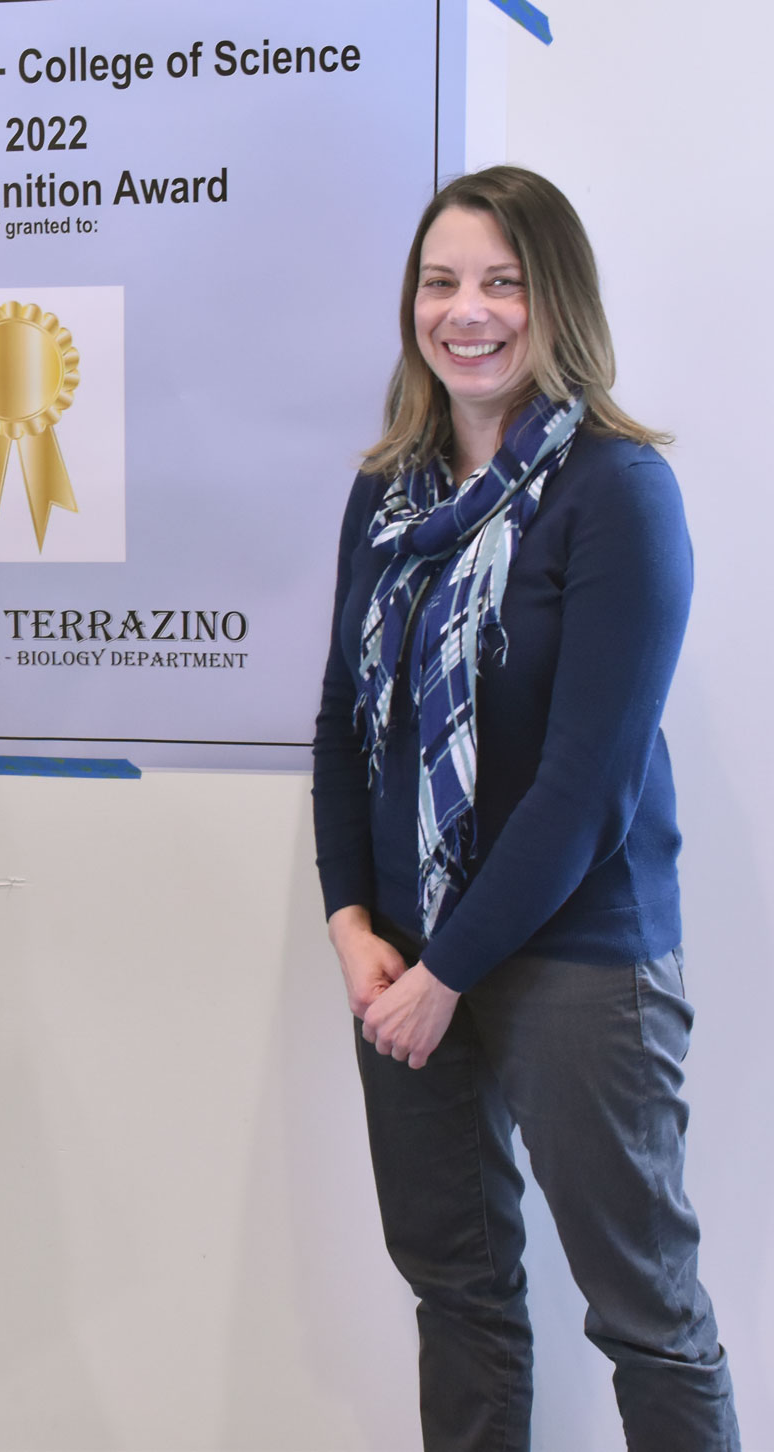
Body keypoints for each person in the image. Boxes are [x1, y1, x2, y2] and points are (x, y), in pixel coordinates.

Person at [312, 165, 739, 1450]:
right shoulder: (385, 492)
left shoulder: (615, 492)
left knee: (644, 1316)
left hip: (573, 959)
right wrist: (348, 921)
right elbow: (341, 721)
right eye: (439, 283)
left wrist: (445, 969)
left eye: (501, 282)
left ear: (554, 301)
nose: (467, 312)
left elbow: (583, 783)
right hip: (398, 958)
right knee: (458, 1295)